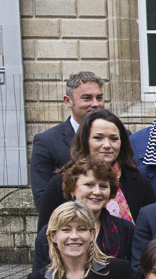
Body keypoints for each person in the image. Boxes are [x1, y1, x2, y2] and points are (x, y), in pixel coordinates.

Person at [38, 108, 156, 229]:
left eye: (114, 139)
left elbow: (150, 234)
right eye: (98, 138)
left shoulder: (139, 185)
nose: (107, 145)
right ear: (85, 141)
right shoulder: (61, 183)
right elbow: (45, 237)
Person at [32, 159, 135, 274]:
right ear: (72, 189)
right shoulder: (51, 231)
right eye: (89, 185)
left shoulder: (125, 229)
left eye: (103, 186)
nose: (97, 192)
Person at [30, 71, 106, 208]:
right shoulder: (47, 142)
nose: (95, 104)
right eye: (87, 98)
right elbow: (43, 200)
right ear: (68, 101)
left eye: (99, 98)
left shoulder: (121, 136)